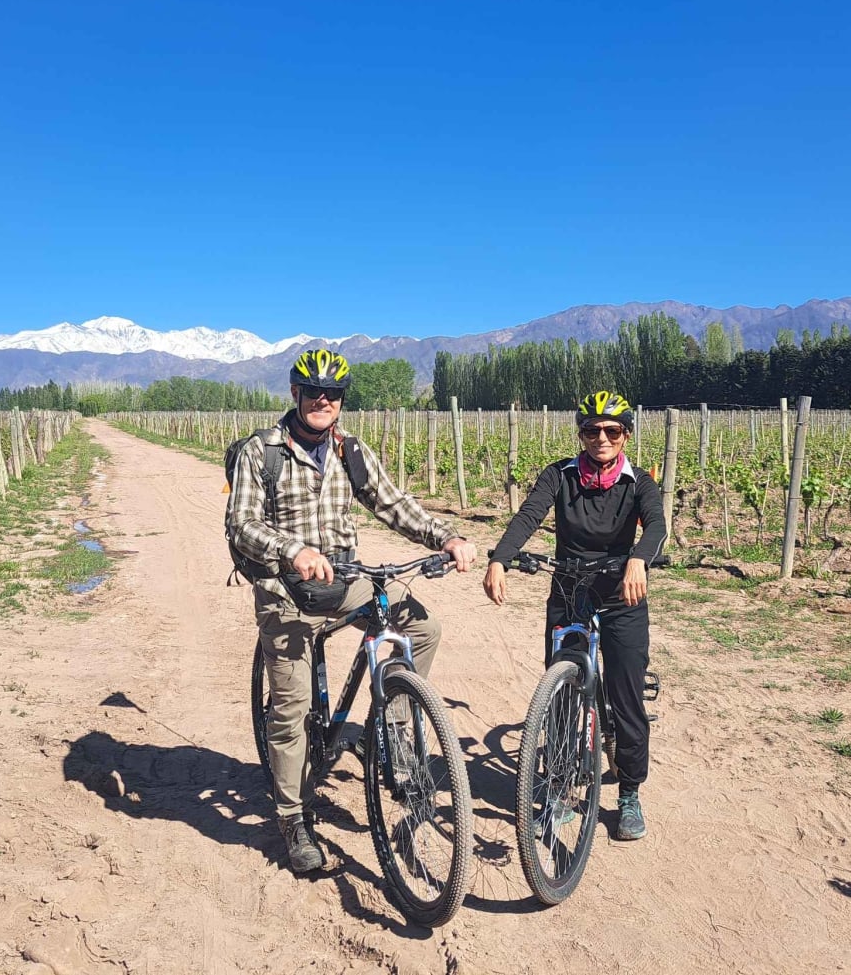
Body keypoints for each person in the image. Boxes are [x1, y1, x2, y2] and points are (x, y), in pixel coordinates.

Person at [227, 348, 476, 874]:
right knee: (291, 709)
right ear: (295, 395)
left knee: (421, 625)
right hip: (285, 590)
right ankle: (293, 817)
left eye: (333, 394)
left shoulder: (349, 451)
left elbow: (393, 503)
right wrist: (292, 550)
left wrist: (446, 537)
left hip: (343, 582)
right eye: (313, 391)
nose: (324, 400)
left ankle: (393, 722)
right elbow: (241, 525)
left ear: (341, 401)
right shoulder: (260, 452)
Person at [482, 391, 666, 840]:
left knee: (626, 697)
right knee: (563, 695)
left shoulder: (638, 482)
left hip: (622, 593)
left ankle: (628, 794)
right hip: (569, 589)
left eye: (612, 430)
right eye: (591, 430)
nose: (601, 438)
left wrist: (639, 558)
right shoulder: (559, 476)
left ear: (625, 435)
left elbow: (657, 524)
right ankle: (562, 788)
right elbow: (528, 516)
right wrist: (500, 559)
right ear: (581, 434)